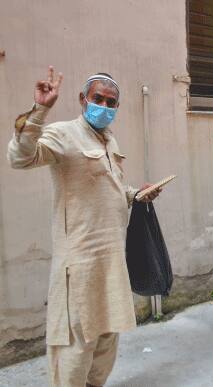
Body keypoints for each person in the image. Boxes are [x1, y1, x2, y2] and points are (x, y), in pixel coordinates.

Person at [7, 67, 160, 387]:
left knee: (107, 335)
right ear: (82, 99)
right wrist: (40, 110)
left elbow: (109, 186)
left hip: (111, 258)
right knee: (77, 340)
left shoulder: (107, 138)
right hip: (79, 263)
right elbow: (21, 158)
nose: (104, 106)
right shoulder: (63, 134)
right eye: (98, 98)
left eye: (111, 102)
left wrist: (135, 194)